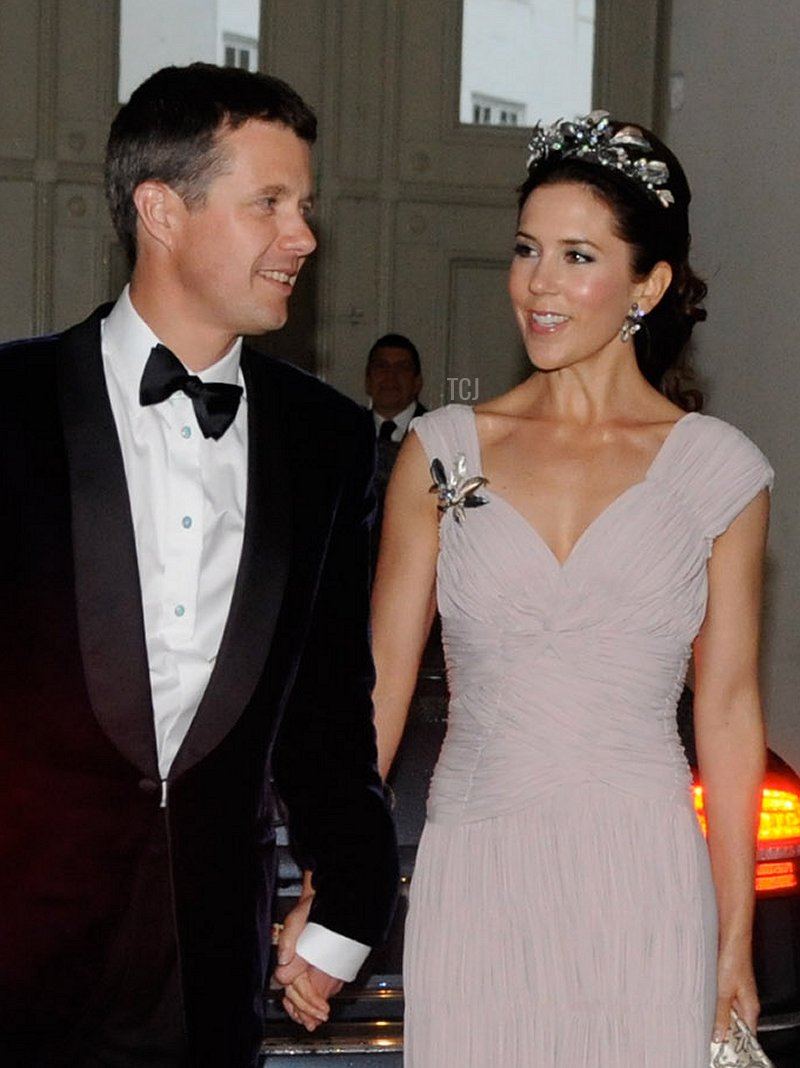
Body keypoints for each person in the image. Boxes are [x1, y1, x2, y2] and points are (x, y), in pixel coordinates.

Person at [0, 63, 397, 1068]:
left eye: (303, 207)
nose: (302, 236)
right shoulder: (4, 404)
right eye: (267, 203)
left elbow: (327, 712)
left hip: (208, 969)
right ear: (160, 210)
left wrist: (347, 903)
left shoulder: (328, 441)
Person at [370, 110, 772, 1066]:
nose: (538, 284)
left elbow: (726, 712)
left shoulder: (721, 472)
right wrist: (332, 873)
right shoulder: (441, 453)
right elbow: (382, 683)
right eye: (525, 249)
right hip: (477, 869)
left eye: (577, 255)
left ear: (649, 284)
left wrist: (734, 936)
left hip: (642, 874)